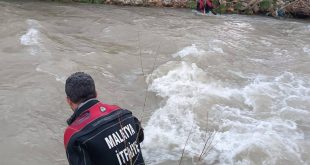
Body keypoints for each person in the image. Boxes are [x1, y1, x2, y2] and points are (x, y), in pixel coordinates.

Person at [64, 72, 145, 165]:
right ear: (96, 93)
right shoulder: (124, 113)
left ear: (69, 101)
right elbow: (140, 137)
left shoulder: (74, 135)